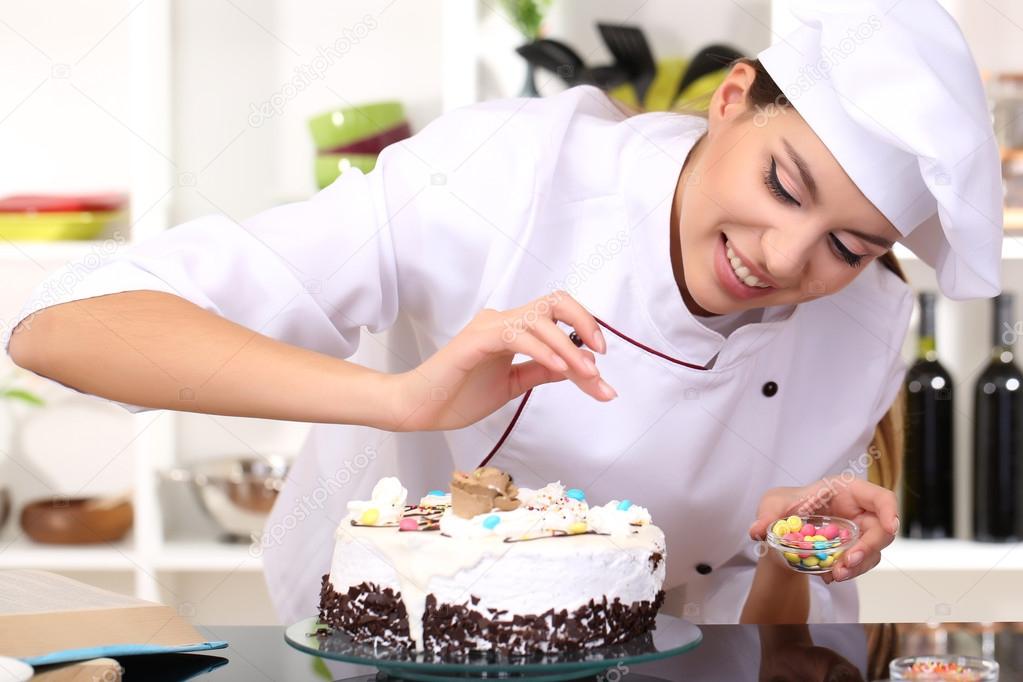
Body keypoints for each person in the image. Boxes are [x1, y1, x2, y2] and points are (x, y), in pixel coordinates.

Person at [5, 0, 1002, 626]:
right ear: (732, 98)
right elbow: (66, 325)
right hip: (372, 657)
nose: (785, 259)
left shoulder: (866, 325)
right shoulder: (511, 174)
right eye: (785, 186)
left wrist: (799, 547)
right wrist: (403, 399)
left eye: (848, 244)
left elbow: (764, 613)